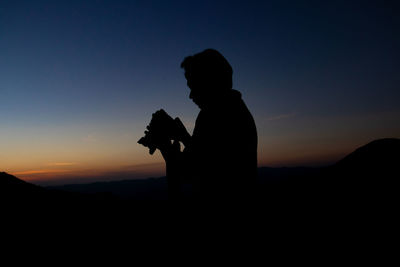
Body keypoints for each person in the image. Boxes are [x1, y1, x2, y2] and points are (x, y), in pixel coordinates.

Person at [141, 49, 257, 202]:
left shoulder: (219, 115)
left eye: (193, 86)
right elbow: (200, 161)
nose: (190, 95)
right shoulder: (225, 110)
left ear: (210, 81)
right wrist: (175, 140)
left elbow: (196, 172)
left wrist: (170, 143)